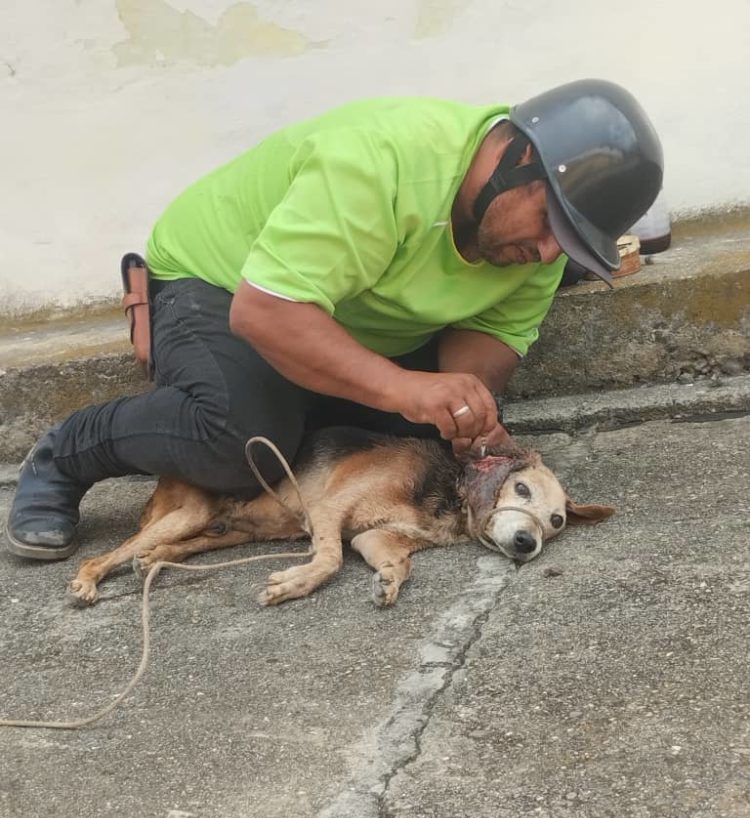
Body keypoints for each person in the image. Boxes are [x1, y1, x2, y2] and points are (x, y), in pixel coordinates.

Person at [5, 78, 663, 561]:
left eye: (570, 245)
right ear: (517, 160)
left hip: (339, 324)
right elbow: (266, 312)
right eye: (552, 225)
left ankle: (291, 401)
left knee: (419, 442)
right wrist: (405, 388)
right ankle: (67, 450)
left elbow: (486, 345)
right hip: (225, 286)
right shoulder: (382, 164)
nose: (550, 255)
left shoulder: (538, 250)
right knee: (241, 441)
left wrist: (467, 410)